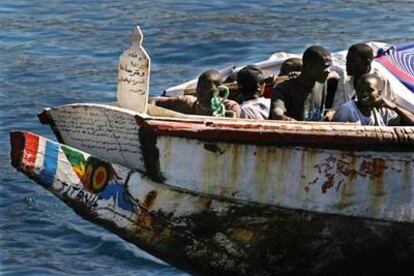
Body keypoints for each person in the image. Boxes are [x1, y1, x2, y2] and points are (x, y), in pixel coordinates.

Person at [270, 45, 332, 121]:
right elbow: (277, 113)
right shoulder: (283, 90)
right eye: (324, 67)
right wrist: (287, 120)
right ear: (310, 66)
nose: (328, 71)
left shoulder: (322, 83)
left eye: (329, 67)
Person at [148, 69, 241, 117]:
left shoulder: (230, 107)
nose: (199, 91)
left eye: (205, 88)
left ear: (219, 90)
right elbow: (154, 101)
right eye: (199, 87)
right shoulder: (188, 103)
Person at [330, 43, 396, 110]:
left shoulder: (380, 79)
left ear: (366, 62)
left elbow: (387, 109)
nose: (347, 64)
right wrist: (332, 113)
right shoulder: (346, 78)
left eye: (352, 61)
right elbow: (338, 105)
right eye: (347, 60)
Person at [333, 73, 414, 126]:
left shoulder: (383, 110)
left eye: (369, 90)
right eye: (361, 90)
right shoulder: (347, 110)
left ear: (378, 93)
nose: (364, 94)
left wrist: (394, 107)